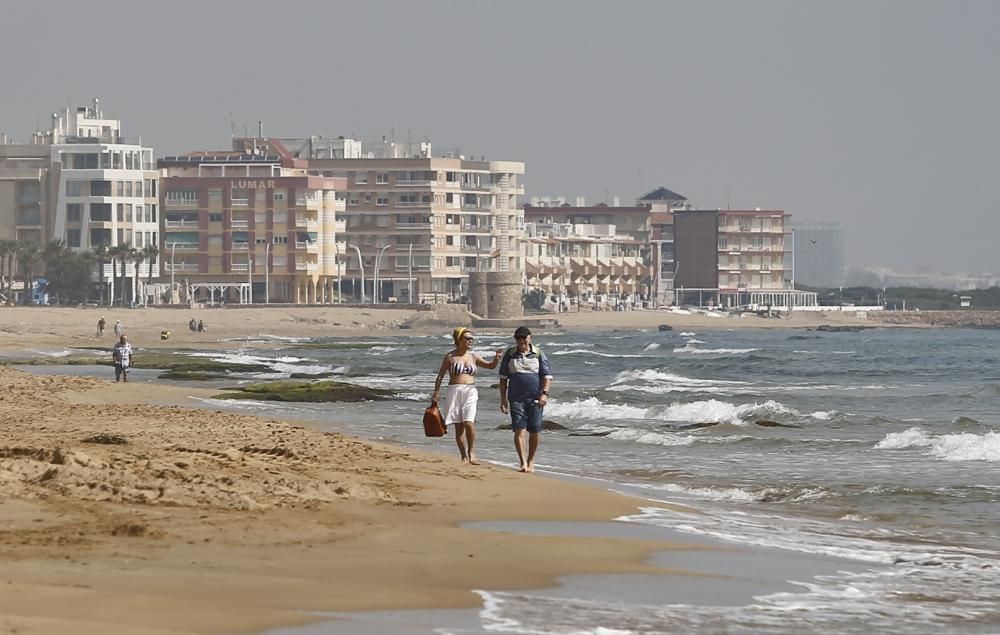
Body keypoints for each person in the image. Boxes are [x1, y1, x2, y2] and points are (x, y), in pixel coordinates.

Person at [432, 327, 502, 465]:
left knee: (469, 422)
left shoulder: (473, 356)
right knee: (459, 426)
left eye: (471, 339)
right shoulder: (450, 357)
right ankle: (463, 455)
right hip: (454, 391)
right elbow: (440, 374)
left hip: (470, 391)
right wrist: (436, 392)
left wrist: (496, 359)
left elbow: (490, 366)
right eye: (467, 338)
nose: (470, 341)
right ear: (459, 340)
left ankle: (471, 452)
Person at [499, 326, 553, 473]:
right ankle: (522, 462)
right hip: (516, 398)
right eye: (518, 338)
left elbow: (547, 377)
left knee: (535, 430)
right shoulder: (510, 354)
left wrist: (545, 394)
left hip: (535, 398)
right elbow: (503, 379)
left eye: (524, 338)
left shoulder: (539, 354)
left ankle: (531, 461)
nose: (521, 341)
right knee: (519, 430)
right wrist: (503, 399)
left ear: (530, 338)